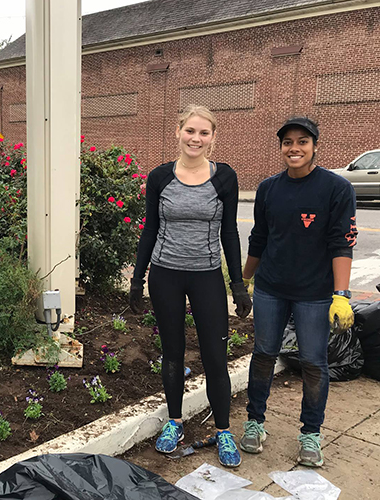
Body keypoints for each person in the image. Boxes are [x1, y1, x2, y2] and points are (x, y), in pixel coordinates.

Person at [129, 105, 252, 468]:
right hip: (166, 274)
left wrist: (239, 285)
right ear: (178, 131)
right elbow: (149, 228)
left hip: (207, 276)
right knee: (173, 354)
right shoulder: (160, 177)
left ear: (213, 137)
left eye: (204, 133)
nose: (196, 139)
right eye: (190, 131)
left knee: (216, 357)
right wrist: (137, 278)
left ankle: (224, 430)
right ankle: (175, 422)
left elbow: (229, 232)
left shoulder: (225, 178)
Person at [239, 117, 357, 467]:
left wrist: (341, 294)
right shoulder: (268, 189)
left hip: (315, 294)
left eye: (302, 141)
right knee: (262, 355)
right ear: (281, 148)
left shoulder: (336, 189)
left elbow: (342, 243)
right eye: (287, 142)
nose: (294, 148)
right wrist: (244, 280)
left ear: (315, 146)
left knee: (313, 363)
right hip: (271, 289)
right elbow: (259, 239)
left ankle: (310, 434)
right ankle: (254, 423)